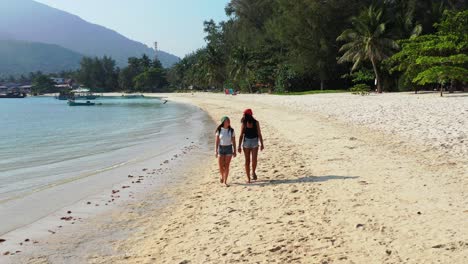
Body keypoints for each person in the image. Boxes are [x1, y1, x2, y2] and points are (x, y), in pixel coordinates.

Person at [238, 109, 264, 183]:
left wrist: (262, 144)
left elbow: (259, 134)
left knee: (254, 159)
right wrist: (239, 146)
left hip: (255, 142)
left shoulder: (256, 123)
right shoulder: (244, 123)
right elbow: (241, 135)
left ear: (248, 115)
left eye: (244, 114)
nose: (243, 116)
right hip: (246, 142)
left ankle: (253, 172)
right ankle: (248, 178)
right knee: (247, 161)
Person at [215, 116, 237, 187]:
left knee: (227, 165)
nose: (228, 122)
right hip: (221, 148)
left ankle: (225, 181)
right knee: (221, 166)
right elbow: (217, 141)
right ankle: (222, 175)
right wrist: (216, 151)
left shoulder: (231, 130)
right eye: (227, 121)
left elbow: (233, 141)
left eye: (229, 121)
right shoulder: (219, 130)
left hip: (229, 148)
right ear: (223, 122)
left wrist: (235, 151)